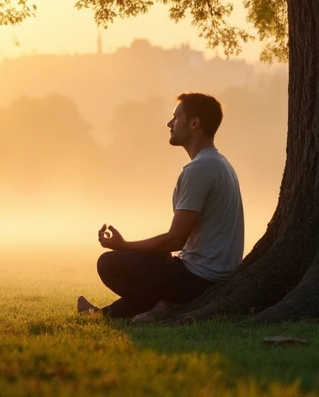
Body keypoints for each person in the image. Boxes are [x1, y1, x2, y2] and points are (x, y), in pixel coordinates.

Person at [77, 92, 244, 320]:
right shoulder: (218, 164)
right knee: (152, 265)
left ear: (194, 123)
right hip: (207, 273)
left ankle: (164, 307)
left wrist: (123, 246)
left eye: (176, 117)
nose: (169, 123)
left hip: (198, 279)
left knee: (109, 263)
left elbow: (175, 240)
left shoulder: (200, 169)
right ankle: (107, 313)